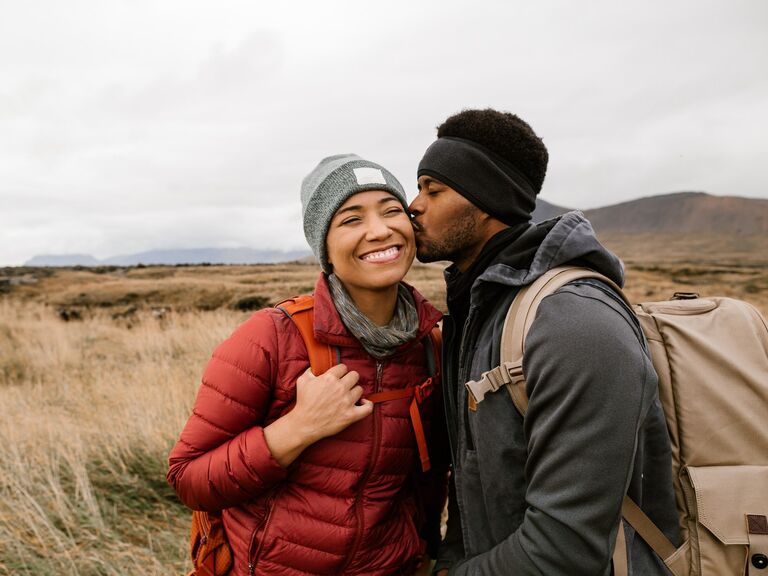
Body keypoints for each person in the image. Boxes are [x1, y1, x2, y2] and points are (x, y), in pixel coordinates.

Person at [408, 109, 680, 575]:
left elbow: (565, 551)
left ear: (486, 197)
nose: (414, 204)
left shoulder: (573, 323)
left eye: (433, 189)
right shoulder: (481, 313)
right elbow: (473, 495)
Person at [167, 154, 447, 576]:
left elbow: (427, 480)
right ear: (325, 248)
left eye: (392, 211)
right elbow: (189, 479)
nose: (379, 230)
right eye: (351, 219)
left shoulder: (431, 344)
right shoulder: (271, 338)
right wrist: (299, 428)